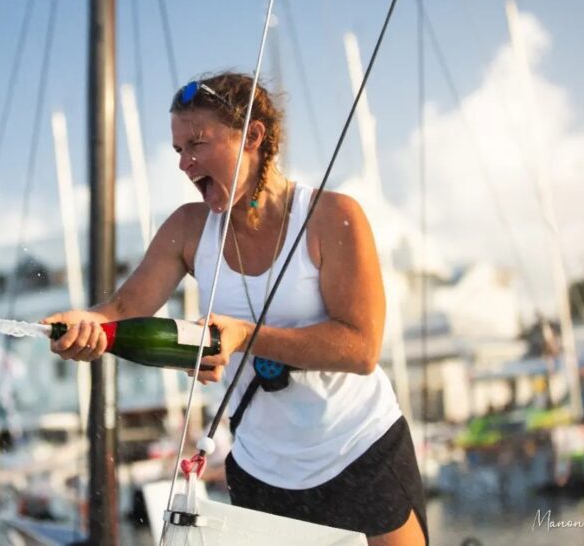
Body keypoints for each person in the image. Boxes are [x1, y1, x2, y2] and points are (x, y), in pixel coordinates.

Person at [43, 73, 427, 545]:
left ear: (253, 136)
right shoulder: (188, 229)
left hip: (359, 449)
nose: (185, 163)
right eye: (179, 150)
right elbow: (122, 307)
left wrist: (245, 335)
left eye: (197, 144)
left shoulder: (332, 216)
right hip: (262, 472)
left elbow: (361, 348)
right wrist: (87, 326)